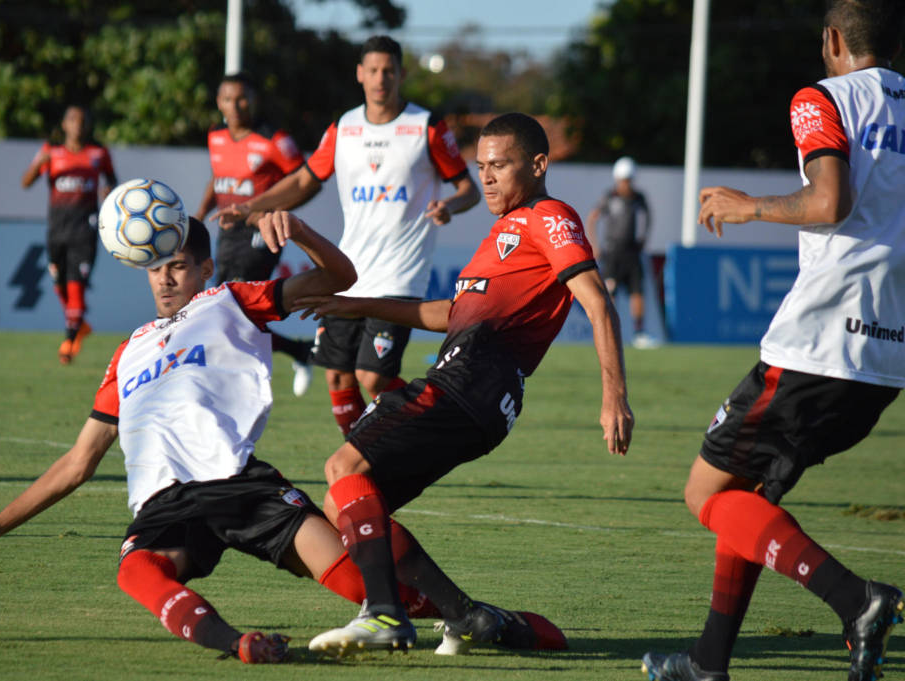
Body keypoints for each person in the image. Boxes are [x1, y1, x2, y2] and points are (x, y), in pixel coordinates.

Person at [0, 216, 561, 663]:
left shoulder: (233, 300)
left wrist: (299, 230)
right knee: (136, 569)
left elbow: (335, 274)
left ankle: (480, 618)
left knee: (368, 582)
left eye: (179, 265)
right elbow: (80, 462)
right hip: (166, 502)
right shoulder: (128, 353)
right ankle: (238, 642)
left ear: (203, 266)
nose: (166, 278)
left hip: (244, 485)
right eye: (155, 267)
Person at [292, 112, 633, 657]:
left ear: (539, 165)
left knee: (342, 470)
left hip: (473, 376)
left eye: (500, 165)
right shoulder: (503, 232)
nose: (487, 178)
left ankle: (384, 615)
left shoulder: (549, 216)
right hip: (480, 390)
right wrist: (352, 304)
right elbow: (449, 312)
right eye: (481, 167)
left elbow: (596, 300)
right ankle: (473, 618)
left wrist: (614, 396)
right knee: (347, 507)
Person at [641, 3, 905, 680]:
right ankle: (708, 662)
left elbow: (828, 203)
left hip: (818, 341)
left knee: (706, 494)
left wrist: (746, 205)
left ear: (833, 40)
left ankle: (857, 599)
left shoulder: (821, 97)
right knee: (750, 495)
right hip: (887, 353)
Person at [225, 35, 480, 435]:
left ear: (401, 74)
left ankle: (433, 429)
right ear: (360, 74)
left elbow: (469, 189)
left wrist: (450, 205)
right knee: (337, 378)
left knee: (372, 377)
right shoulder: (345, 128)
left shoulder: (425, 127)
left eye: (389, 71)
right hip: (349, 271)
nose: (381, 78)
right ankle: (365, 455)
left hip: (399, 274)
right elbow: (305, 180)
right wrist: (249, 207)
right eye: (374, 70)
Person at [194, 72, 316, 397]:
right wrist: (200, 213)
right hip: (227, 230)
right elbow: (217, 177)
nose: (235, 105)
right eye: (227, 99)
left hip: (259, 232)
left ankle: (238, 382)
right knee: (235, 311)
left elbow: (306, 183)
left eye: (242, 98)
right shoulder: (216, 135)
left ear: (253, 100)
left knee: (233, 305)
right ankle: (300, 352)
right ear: (219, 102)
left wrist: (271, 213)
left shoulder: (275, 140)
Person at [21, 105, 117, 365]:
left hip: (84, 229)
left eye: (83, 120)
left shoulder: (98, 153)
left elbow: (112, 183)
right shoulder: (51, 152)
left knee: (77, 284)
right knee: (59, 284)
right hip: (56, 229)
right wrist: (39, 164)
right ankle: (80, 324)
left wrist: (108, 192)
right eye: (73, 119)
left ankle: (69, 340)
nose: (78, 124)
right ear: (64, 124)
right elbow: (26, 182)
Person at [586, 156, 653, 348]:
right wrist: (595, 246)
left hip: (631, 253)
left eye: (628, 180)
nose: (625, 184)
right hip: (613, 253)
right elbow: (593, 218)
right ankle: (610, 332)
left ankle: (639, 333)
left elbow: (647, 219)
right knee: (610, 293)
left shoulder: (639, 198)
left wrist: (643, 240)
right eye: (623, 180)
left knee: (637, 292)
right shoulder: (610, 197)